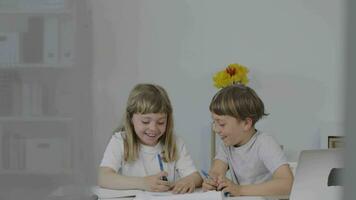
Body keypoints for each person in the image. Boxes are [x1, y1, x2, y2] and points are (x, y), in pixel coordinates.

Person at [98, 83, 202, 194]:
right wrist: (143, 183)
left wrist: (188, 181)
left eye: (161, 122)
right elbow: (103, 177)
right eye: (145, 121)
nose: (153, 128)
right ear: (130, 119)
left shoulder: (175, 143)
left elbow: (196, 177)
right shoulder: (120, 141)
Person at [202, 84, 293, 196]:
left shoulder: (264, 143)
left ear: (246, 123)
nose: (215, 129)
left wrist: (240, 190)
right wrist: (212, 182)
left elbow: (287, 183)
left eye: (221, 124)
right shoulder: (227, 144)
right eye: (214, 122)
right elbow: (216, 171)